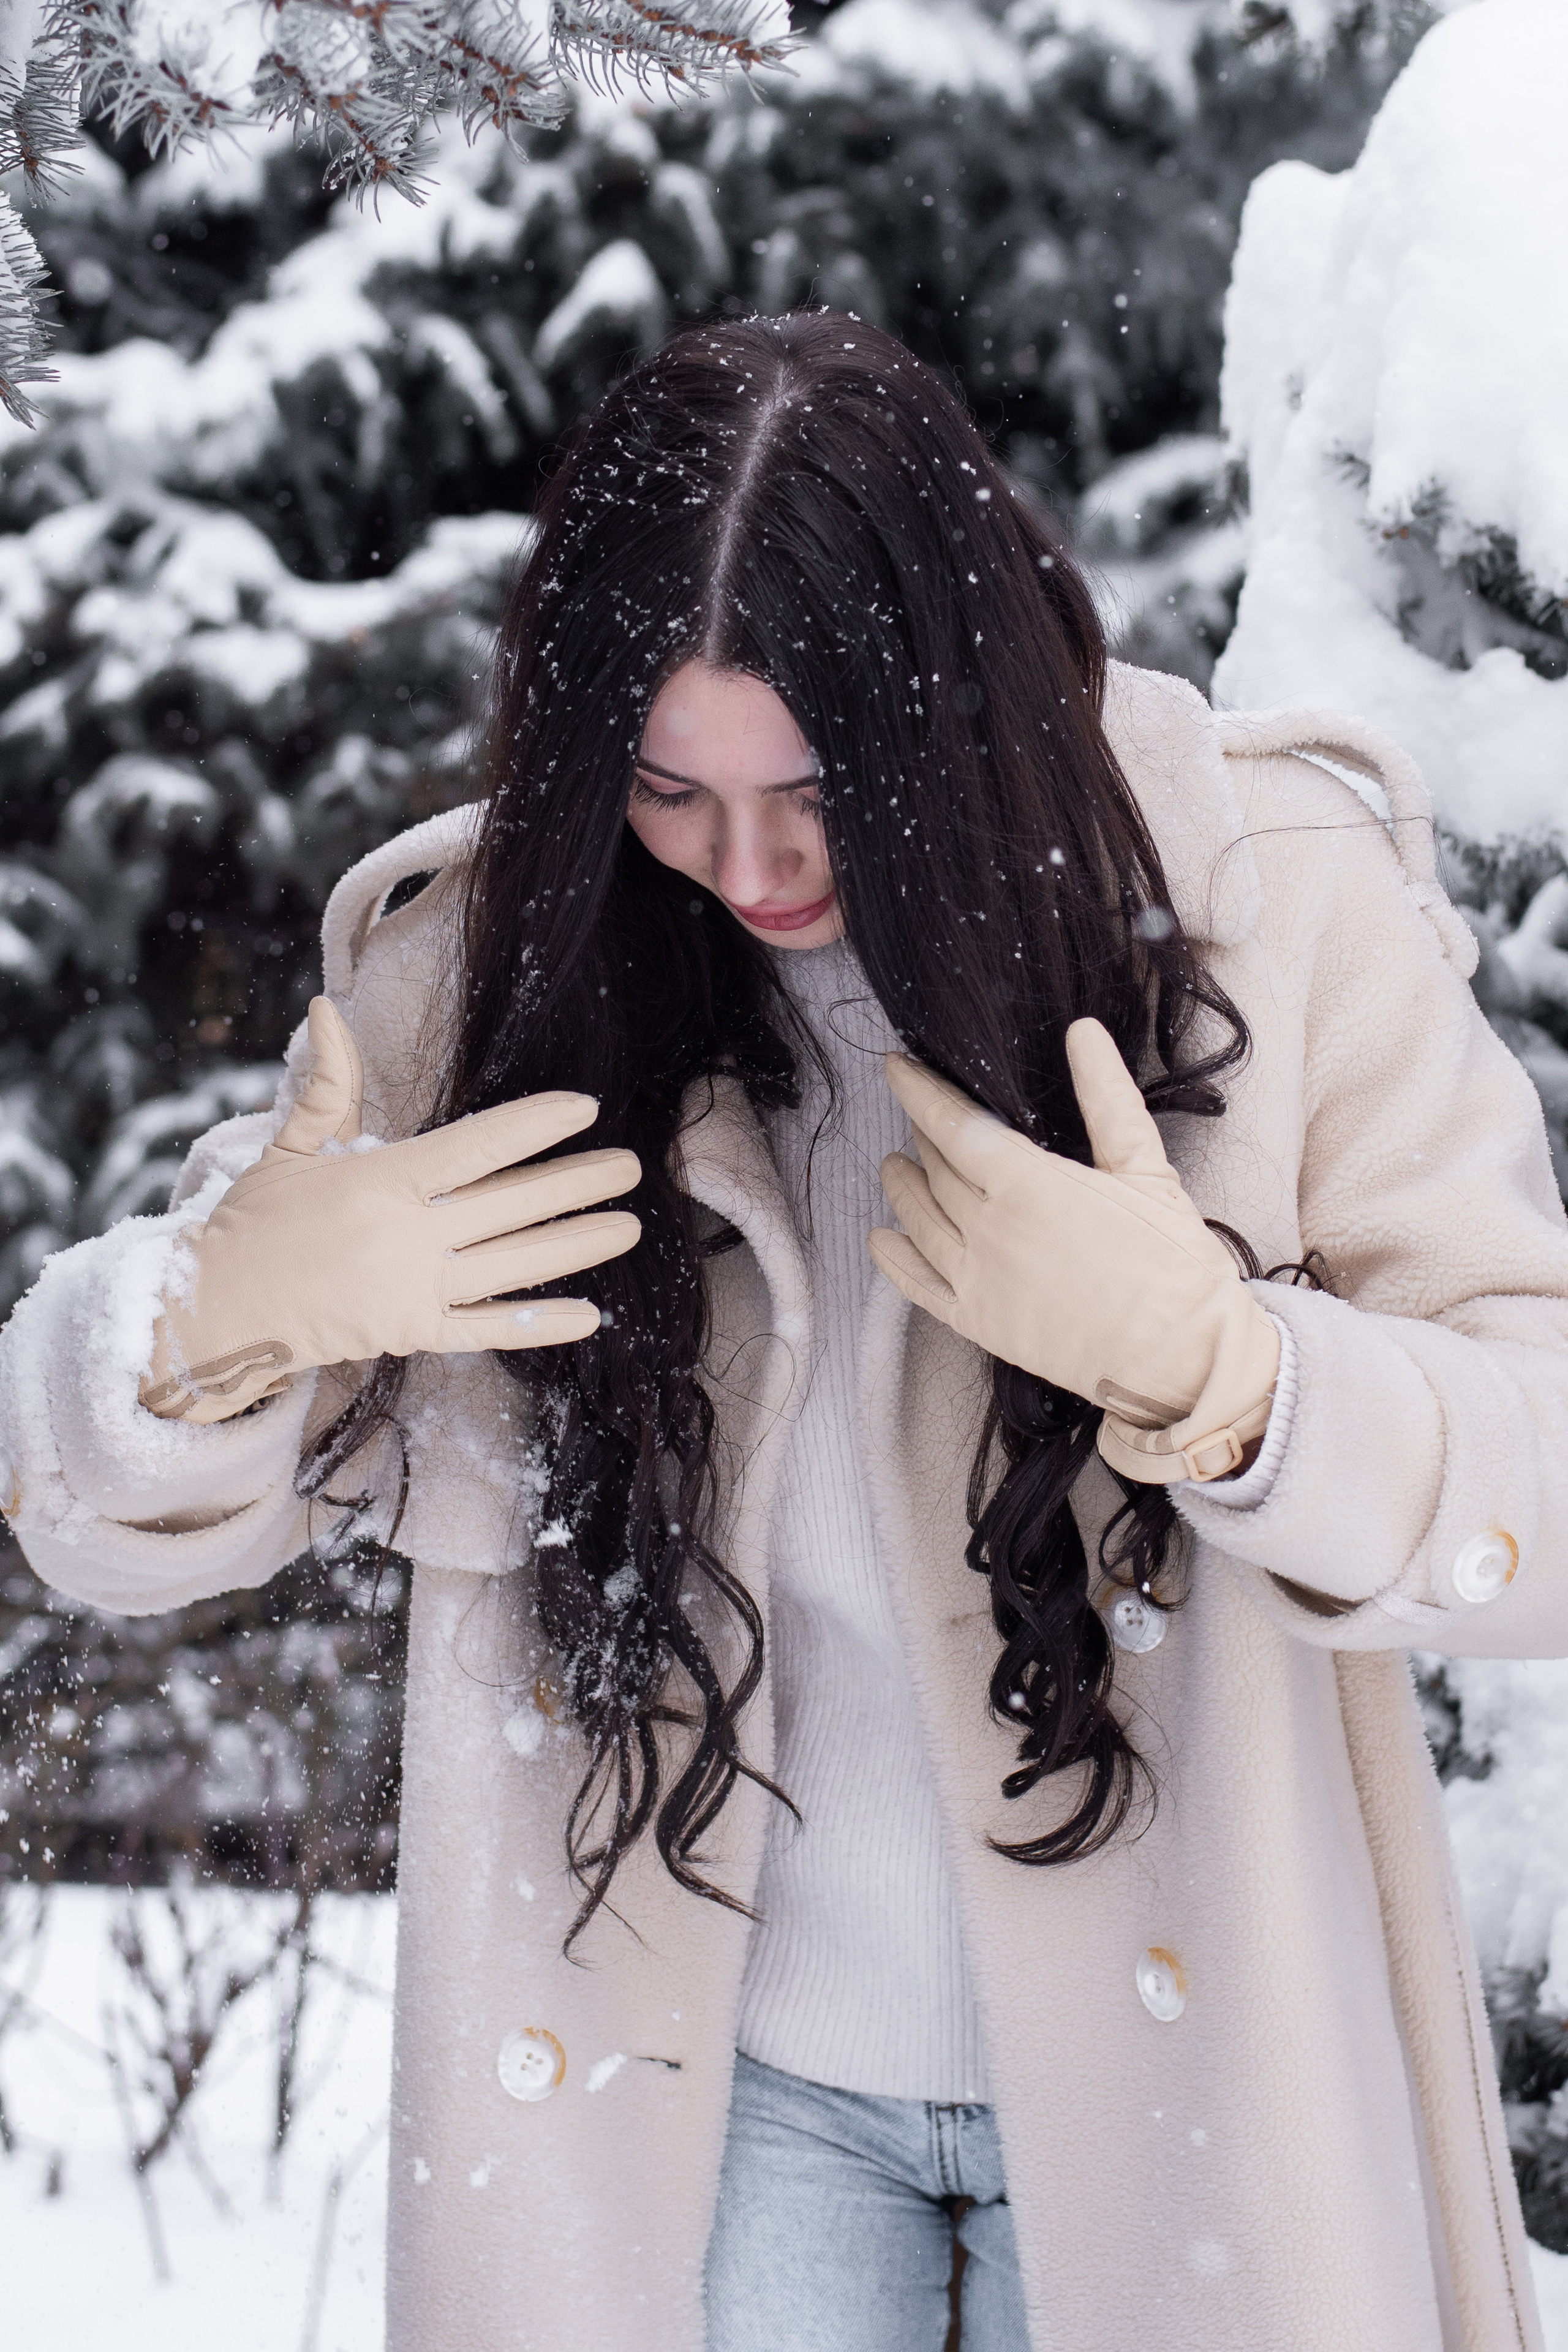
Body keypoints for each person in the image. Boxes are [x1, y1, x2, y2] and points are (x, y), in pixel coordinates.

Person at [1, 310, 1564, 2352]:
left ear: (965, 712)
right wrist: (221, 1320)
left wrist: (1232, 1374)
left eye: (821, 788)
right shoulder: (491, 980)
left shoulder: (1272, 900)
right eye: (666, 790)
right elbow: (75, 1508)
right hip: (709, 2112)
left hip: (1205, 2109)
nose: (745, 866)